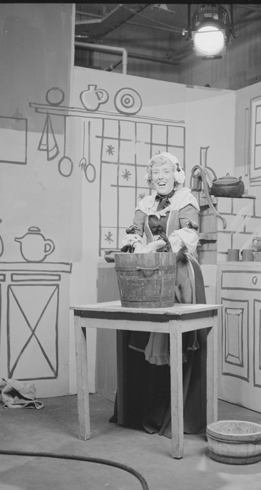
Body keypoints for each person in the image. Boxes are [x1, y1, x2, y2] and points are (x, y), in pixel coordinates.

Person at [109, 152, 207, 438]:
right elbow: (134, 231)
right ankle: (143, 412)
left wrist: (157, 246)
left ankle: (177, 417)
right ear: (150, 177)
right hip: (149, 275)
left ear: (175, 175)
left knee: (175, 340)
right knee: (143, 334)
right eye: (156, 173)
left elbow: (188, 235)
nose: (160, 177)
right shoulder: (146, 204)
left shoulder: (186, 200)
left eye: (165, 172)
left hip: (179, 275)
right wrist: (137, 245)